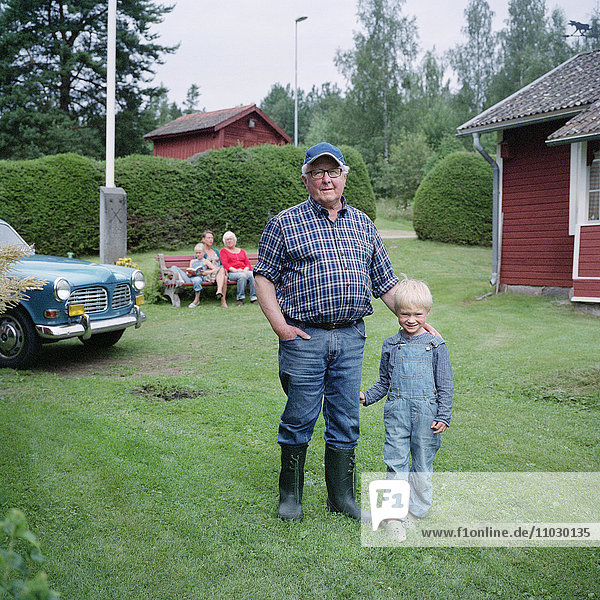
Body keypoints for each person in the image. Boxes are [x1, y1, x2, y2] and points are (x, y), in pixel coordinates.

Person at [254, 142, 414, 522]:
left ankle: (341, 497)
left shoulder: (363, 225)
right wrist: (281, 328)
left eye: (333, 171)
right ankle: (290, 497)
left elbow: (386, 283)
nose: (326, 178)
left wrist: (415, 320)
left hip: (350, 338)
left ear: (343, 177)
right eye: (317, 172)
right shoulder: (284, 223)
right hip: (304, 340)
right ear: (307, 178)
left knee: (345, 418)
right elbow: (264, 278)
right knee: (299, 416)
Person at [360, 278, 453, 540]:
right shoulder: (390, 345)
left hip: (427, 414)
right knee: (395, 463)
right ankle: (393, 517)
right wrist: (367, 396)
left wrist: (443, 415)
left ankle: (417, 511)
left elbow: (445, 385)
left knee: (422, 466)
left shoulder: (437, 346)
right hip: (397, 412)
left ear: (427, 313)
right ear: (396, 312)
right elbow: (385, 382)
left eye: (417, 314)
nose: (411, 320)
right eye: (404, 314)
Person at [170, 242, 216, 308]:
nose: (198, 254)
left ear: (204, 253)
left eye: (199, 253)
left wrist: (206, 272)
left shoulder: (205, 261)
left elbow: (214, 269)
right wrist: (188, 273)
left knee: (197, 280)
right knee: (173, 267)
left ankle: (196, 300)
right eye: (196, 253)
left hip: (199, 278)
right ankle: (181, 281)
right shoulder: (192, 261)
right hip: (189, 278)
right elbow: (190, 270)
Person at [220, 231, 257, 306]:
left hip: (243, 270)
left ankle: (254, 298)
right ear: (225, 241)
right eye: (227, 239)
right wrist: (236, 270)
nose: (229, 241)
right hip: (232, 273)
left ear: (234, 240)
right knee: (242, 276)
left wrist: (246, 269)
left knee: (252, 275)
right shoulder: (223, 251)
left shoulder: (241, 251)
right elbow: (225, 264)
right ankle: (240, 298)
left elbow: (247, 263)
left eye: (231, 239)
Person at [202, 229, 228, 308]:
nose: (211, 240)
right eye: (208, 238)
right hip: (208, 274)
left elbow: (220, 263)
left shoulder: (215, 250)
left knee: (223, 273)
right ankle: (223, 300)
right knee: (224, 277)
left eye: (212, 238)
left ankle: (221, 297)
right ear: (203, 239)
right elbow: (200, 266)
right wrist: (213, 270)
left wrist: (218, 269)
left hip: (218, 273)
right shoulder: (201, 251)